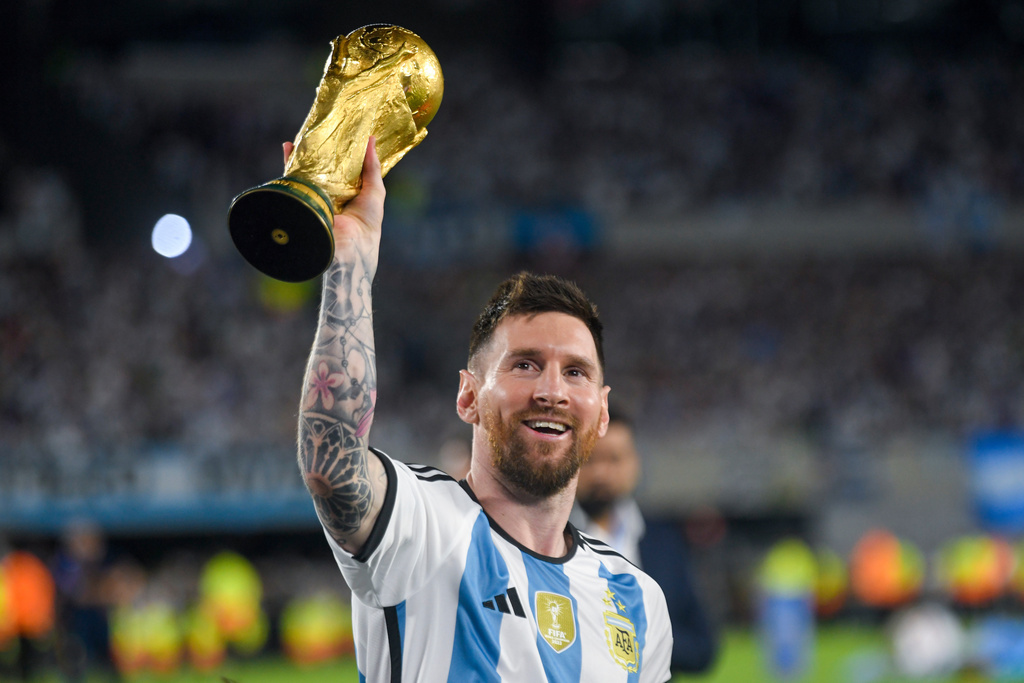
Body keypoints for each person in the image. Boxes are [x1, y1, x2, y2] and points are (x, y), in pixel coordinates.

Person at [291, 137, 672, 681]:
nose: (552, 391)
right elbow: (332, 465)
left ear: (602, 412)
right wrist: (348, 258)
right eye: (525, 364)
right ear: (468, 396)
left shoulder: (638, 599)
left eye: (576, 372)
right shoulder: (423, 525)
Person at [573, 405, 719, 675]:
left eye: (614, 459)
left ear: (635, 463)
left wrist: (639, 637)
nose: (601, 473)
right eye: (589, 459)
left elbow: (702, 648)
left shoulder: (664, 542)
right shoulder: (546, 540)